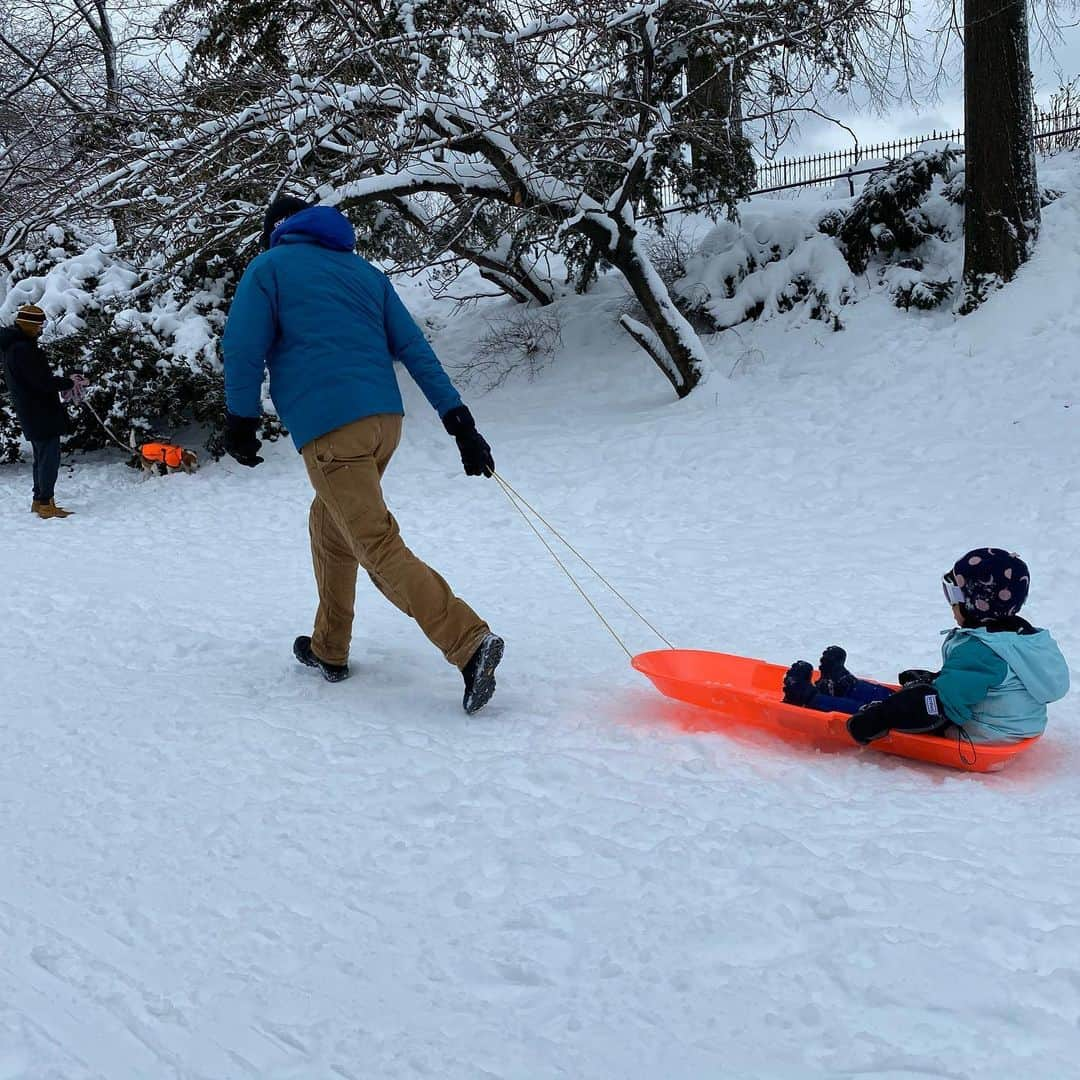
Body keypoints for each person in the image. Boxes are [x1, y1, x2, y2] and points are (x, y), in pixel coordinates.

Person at [221, 196, 504, 714]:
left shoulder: (269, 268)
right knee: (329, 525)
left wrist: (240, 419)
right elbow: (415, 348)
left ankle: (469, 642)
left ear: (275, 232)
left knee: (374, 544)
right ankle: (330, 647)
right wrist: (458, 420)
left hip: (331, 428)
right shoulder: (365, 274)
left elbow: (242, 347)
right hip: (383, 424)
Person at [782, 548, 1069, 746]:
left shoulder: (982, 651)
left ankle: (812, 701)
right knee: (914, 696)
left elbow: (940, 706)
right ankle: (845, 685)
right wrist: (936, 681)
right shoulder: (1019, 638)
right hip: (1011, 725)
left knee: (897, 709)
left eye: (954, 594)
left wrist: (879, 718)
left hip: (980, 733)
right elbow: (986, 683)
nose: (951, 603)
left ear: (977, 602)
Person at [0, 304, 78, 518]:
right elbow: (40, 382)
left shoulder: (14, 346)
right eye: (38, 325)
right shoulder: (22, 349)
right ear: (27, 325)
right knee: (49, 457)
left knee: (41, 456)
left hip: (31, 409)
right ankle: (46, 503)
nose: (41, 329)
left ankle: (39, 500)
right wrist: (67, 383)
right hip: (39, 410)